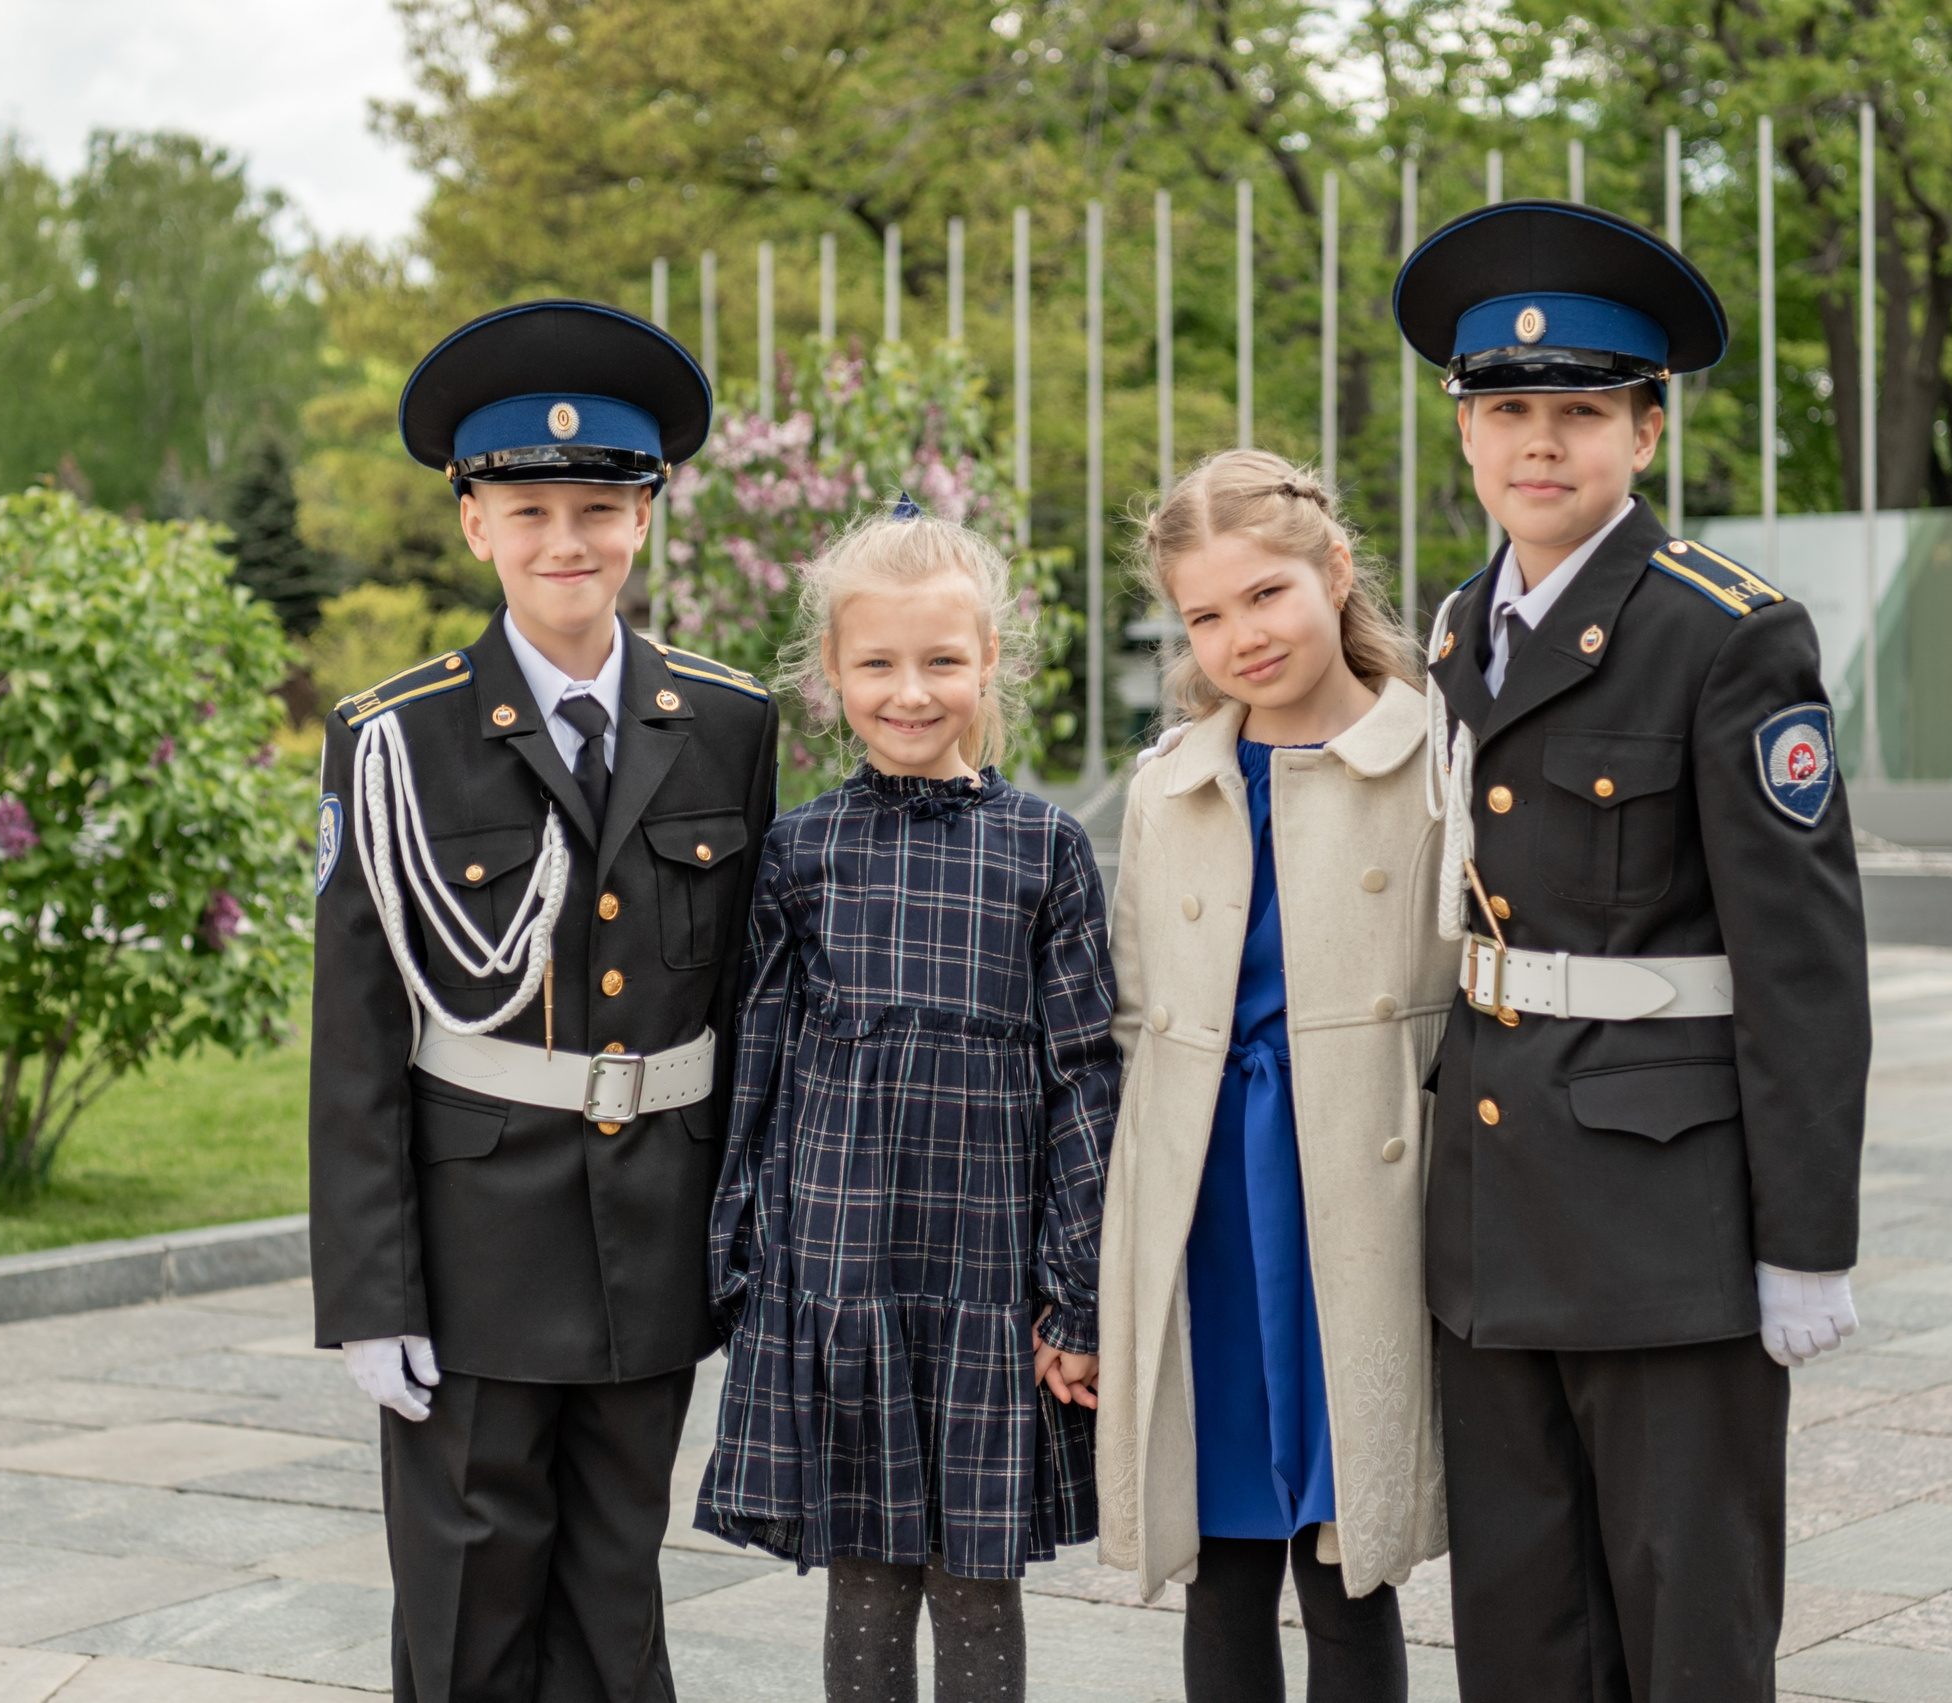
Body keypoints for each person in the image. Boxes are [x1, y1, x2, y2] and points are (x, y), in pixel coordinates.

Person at [1393, 202, 1870, 1700]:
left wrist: (1805, 1239)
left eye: (1583, 411)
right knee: (1523, 1629)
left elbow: (1802, 962)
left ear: (1646, 434)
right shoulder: (1463, 630)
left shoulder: (1728, 634)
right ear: (1465, 432)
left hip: (1669, 1222)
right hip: (1492, 1205)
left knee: (1689, 1619)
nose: (1542, 442)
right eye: (1509, 409)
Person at [307, 298, 778, 1703]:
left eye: (597, 505)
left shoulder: (730, 719)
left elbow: (745, 998)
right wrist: (367, 1291)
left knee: (617, 1597)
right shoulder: (393, 738)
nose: (565, 540)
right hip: (471, 1246)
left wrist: (744, 1238)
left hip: (654, 1235)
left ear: (650, 512)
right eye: (528, 510)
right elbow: (358, 1035)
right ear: (472, 524)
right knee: (469, 1599)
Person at [698, 500, 1120, 1703]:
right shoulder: (799, 850)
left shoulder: (1045, 850)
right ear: (830, 672)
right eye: (876, 662)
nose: (911, 691)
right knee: (866, 1572)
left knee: (977, 1579)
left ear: (990, 662)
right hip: (843, 1276)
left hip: (987, 1281)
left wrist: (1073, 1290)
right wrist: (743, 1257)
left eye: (942, 660)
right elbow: (760, 1061)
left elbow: (1085, 1076)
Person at [1095, 449, 1451, 1703]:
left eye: (1266, 594)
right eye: (1205, 612)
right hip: (1209, 1206)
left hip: (1353, 1191)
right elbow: (1136, 1020)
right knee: (1224, 1556)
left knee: (1353, 1556)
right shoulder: (1169, 784)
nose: (1240, 634)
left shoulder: (1432, 760)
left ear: (1333, 569)